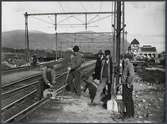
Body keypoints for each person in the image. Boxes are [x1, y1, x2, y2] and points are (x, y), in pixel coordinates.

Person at [122, 53, 135, 118]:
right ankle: (131, 114)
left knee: (127, 99)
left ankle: (128, 114)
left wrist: (128, 82)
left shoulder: (129, 65)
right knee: (129, 99)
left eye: (125, 58)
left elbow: (132, 75)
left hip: (127, 85)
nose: (124, 59)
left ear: (127, 59)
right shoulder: (127, 64)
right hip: (127, 85)